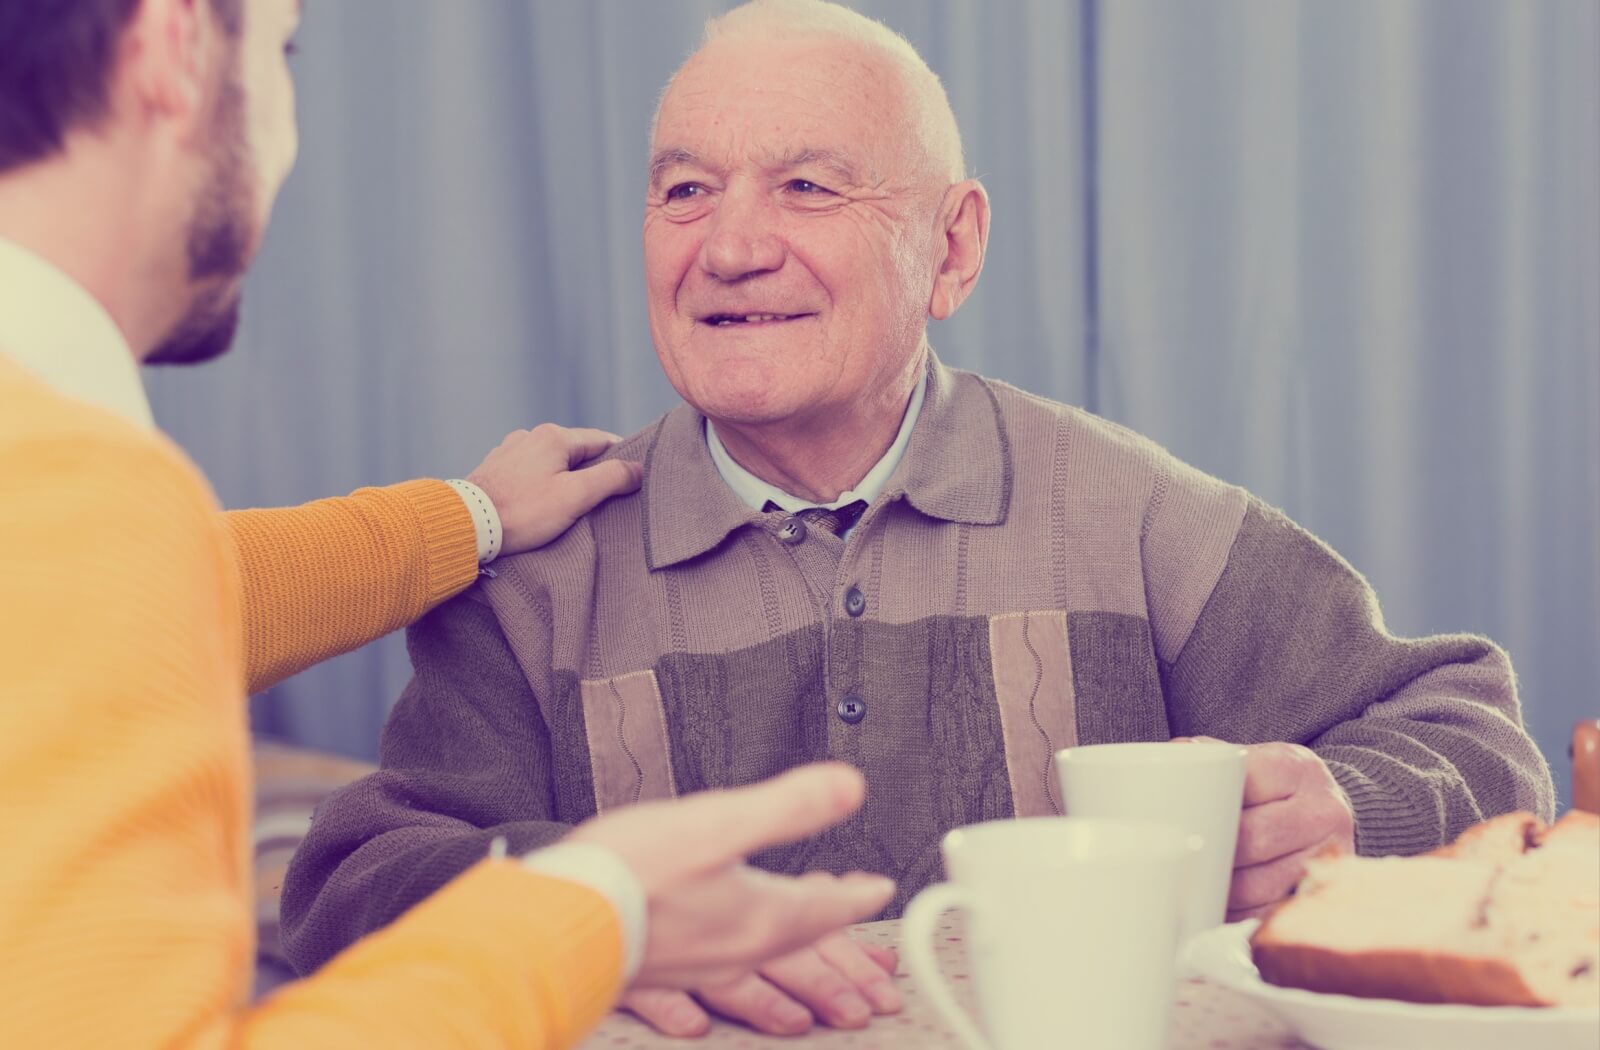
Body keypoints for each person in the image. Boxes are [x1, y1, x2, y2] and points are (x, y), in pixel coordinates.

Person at [282, 0, 1558, 1038]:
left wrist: (1341, 807)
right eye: (684, 191)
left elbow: (1477, 743)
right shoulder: (541, 578)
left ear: (951, 250)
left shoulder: (1123, 510)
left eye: (805, 187)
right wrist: (592, 914)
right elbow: (349, 883)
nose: (727, 247)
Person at [0, 0, 899, 1045]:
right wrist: (594, 908)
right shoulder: (72, 487)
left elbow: (127, 601)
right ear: (174, 47)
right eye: (279, 51)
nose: (737, 244)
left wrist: (465, 519)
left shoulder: (70, 514)